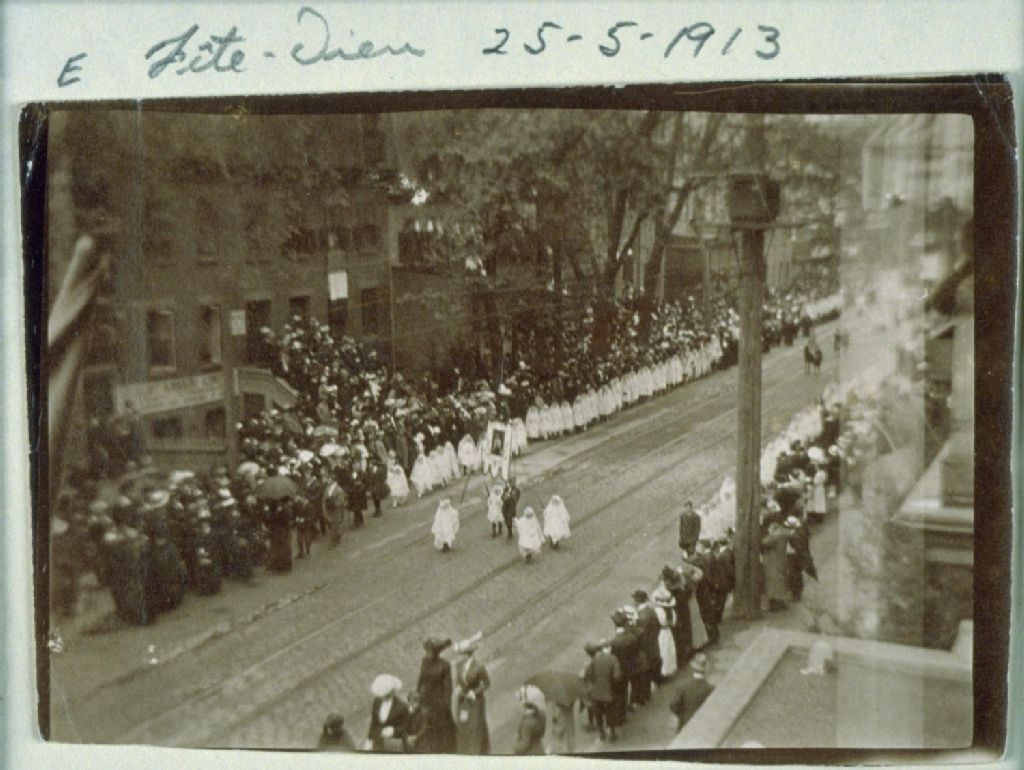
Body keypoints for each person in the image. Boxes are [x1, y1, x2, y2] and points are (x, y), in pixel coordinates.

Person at [416, 637, 457, 753]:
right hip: (425, 697)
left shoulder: (445, 664)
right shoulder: (424, 661)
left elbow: (448, 686)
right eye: (427, 651)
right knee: (425, 723)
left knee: (441, 725)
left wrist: (446, 703)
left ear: (437, 652)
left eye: (431, 652)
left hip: (439, 699)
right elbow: (421, 678)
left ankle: (444, 748)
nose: (428, 654)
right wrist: (417, 692)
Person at [453, 632, 490, 755]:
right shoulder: (458, 666)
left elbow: (487, 683)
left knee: (475, 726)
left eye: (461, 655)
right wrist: (458, 688)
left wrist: (474, 692)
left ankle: (477, 751)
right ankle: (464, 751)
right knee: (463, 725)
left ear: (467, 655)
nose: (459, 657)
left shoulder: (479, 666)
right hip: (463, 701)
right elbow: (458, 681)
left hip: (475, 701)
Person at [583, 641, 622, 742]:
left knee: (598, 714)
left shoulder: (593, 661)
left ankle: (602, 733)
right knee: (610, 712)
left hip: (595, 693)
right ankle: (612, 733)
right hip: (609, 692)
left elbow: (588, 676)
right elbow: (617, 677)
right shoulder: (612, 658)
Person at [669, 653, 714, 732]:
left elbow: (673, 705)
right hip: (702, 725)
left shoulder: (683, 685)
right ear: (705, 670)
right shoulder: (710, 688)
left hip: (685, 724)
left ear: (693, 668)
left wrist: (680, 714)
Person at [366, 674, 411, 752]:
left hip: (394, 743)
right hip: (378, 741)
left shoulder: (403, 706)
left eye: (385, 694)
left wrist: (394, 730)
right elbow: (374, 722)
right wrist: (369, 740)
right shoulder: (377, 701)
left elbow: (406, 726)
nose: (382, 697)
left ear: (392, 692)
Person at [761, 513, 792, 611]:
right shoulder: (784, 532)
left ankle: (774, 606)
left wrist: (770, 532)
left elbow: (764, 543)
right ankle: (782, 602)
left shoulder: (775, 535)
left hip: (772, 561)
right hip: (781, 559)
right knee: (781, 582)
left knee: (772, 583)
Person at [652, 587, 678, 679]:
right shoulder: (672, 612)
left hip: (660, 633)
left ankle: (663, 671)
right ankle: (669, 669)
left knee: (662, 651)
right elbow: (673, 623)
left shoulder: (658, 611)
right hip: (668, 632)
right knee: (669, 650)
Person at [514, 685, 547, 755]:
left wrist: (517, 751)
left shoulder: (527, 723)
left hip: (530, 753)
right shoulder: (542, 714)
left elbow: (524, 744)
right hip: (540, 749)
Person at [322, 472, 346, 548]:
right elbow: (324, 499)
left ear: (333, 480)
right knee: (332, 525)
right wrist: (324, 507)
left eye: (329, 479)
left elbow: (341, 501)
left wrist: (333, 503)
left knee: (335, 525)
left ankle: (334, 541)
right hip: (329, 510)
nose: (327, 480)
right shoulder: (327, 489)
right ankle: (337, 537)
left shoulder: (339, 490)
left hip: (336, 510)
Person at [501, 478, 521, 544]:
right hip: (505, 508)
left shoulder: (517, 490)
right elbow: (502, 497)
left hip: (511, 508)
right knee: (506, 521)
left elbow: (517, 499)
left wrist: (511, 498)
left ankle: (509, 535)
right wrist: (505, 497)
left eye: (514, 482)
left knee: (509, 520)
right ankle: (510, 531)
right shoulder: (506, 489)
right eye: (512, 483)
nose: (513, 484)